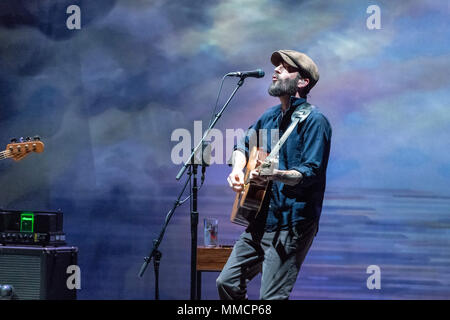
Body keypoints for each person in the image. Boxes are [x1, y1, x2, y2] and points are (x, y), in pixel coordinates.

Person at [216, 50, 332, 300]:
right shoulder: (268, 117)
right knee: (227, 282)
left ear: (302, 81)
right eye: (276, 66)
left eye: (285, 67)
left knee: (270, 299)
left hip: (292, 224)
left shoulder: (314, 120)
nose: (276, 70)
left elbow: (310, 172)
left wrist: (276, 174)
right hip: (260, 219)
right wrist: (237, 170)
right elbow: (242, 147)